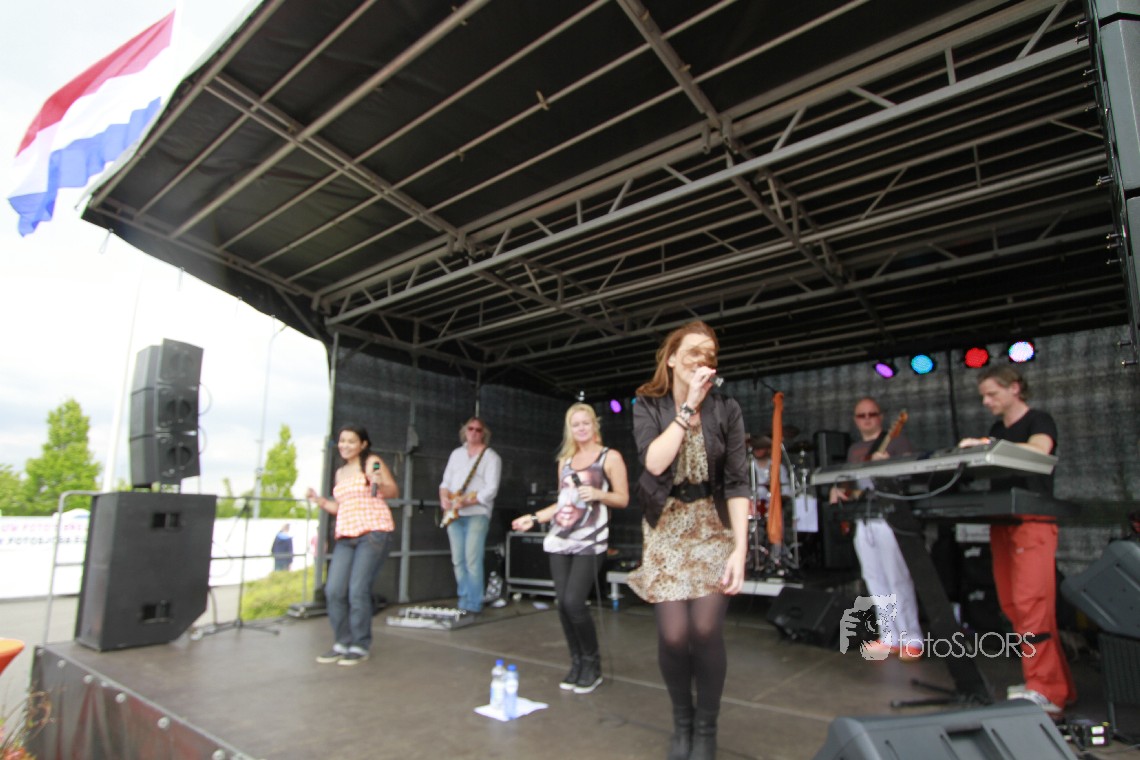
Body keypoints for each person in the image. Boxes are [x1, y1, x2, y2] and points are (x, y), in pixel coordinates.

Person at [627, 320, 749, 760]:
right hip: (667, 526)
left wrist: (741, 548)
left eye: (710, 353)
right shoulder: (648, 404)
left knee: (705, 628)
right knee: (676, 635)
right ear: (673, 358)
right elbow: (655, 463)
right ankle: (682, 721)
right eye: (694, 351)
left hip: (712, 525)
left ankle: (706, 729)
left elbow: (737, 483)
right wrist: (687, 408)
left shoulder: (726, 409)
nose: (703, 359)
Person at [958, 366, 1076, 714]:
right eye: (983, 395)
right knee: (1013, 605)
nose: (986, 401)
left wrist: (989, 447)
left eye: (992, 394)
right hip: (1003, 522)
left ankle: (1045, 687)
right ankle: (1053, 685)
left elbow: (1040, 450)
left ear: (1014, 388)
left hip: (1032, 520)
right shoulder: (997, 430)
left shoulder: (1039, 420)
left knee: (1031, 604)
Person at [511, 403, 629, 694]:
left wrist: (599, 493)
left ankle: (592, 664)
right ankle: (577, 663)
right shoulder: (565, 461)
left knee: (575, 602)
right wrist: (533, 518)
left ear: (594, 424)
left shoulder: (610, 457)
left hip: (591, 540)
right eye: (575, 424)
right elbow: (563, 502)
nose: (581, 428)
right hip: (561, 538)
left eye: (585, 423)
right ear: (570, 429)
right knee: (563, 604)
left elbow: (623, 499)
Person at [827, 397, 923, 660]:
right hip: (864, 517)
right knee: (874, 578)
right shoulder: (855, 449)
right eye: (862, 415)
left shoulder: (898, 442)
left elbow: (912, 474)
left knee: (897, 577)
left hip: (889, 517)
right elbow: (853, 484)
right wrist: (839, 490)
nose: (867, 419)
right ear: (855, 420)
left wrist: (889, 464)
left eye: (872, 414)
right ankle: (889, 636)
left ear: (881, 417)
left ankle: (911, 638)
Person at [306, 425, 398, 665]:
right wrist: (319, 500)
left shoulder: (371, 462)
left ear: (363, 444)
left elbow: (392, 491)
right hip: (346, 535)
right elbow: (341, 507)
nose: (344, 445)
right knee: (334, 590)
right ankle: (342, 642)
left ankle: (360, 644)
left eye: (351, 441)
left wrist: (378, 482)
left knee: (357, 590)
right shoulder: (340, 472)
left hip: (373, 532)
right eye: (342, 441)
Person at [439, 416, 502, 615]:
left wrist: (467, 502)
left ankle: (474, 603)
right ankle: (463, 599)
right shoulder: (456, 454)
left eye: (478, 429)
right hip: (454, 514)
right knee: (458, 560)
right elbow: (445, 483)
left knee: (472, 559)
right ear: (464, 431)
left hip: (477, 513)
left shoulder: (491, 457)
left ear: (484, 434)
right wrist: (444, 499)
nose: (474, 432)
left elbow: (491, 489)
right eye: (470, 428)